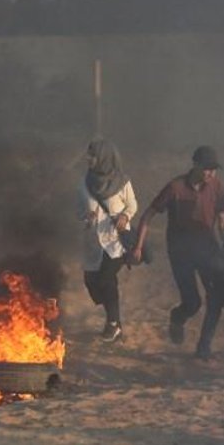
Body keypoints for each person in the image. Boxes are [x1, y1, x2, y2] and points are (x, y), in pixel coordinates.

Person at [132, 146, 224, 369]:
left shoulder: (216, 186)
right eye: (206, 169)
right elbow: (148, 215)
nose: (210, 174)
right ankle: (178, 316)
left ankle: (203, 348)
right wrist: (138, 246)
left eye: (213, 169)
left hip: (207, 249)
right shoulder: (175, 188)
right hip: (180, 253)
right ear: (195, 165)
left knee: (216, 298)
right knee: (193, 302)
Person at [78, 138, 138, 342]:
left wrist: (124, 217)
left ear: (104, 157)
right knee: (91, 283)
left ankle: (113, 324)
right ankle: (115, 319)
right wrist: (86, 216)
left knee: (106, 279)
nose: (89, 159)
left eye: (92, 155)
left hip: (116, 243)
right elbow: (79, 208)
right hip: (94, 242)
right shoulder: (85, 182)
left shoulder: (122, 182)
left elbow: (132, 206)